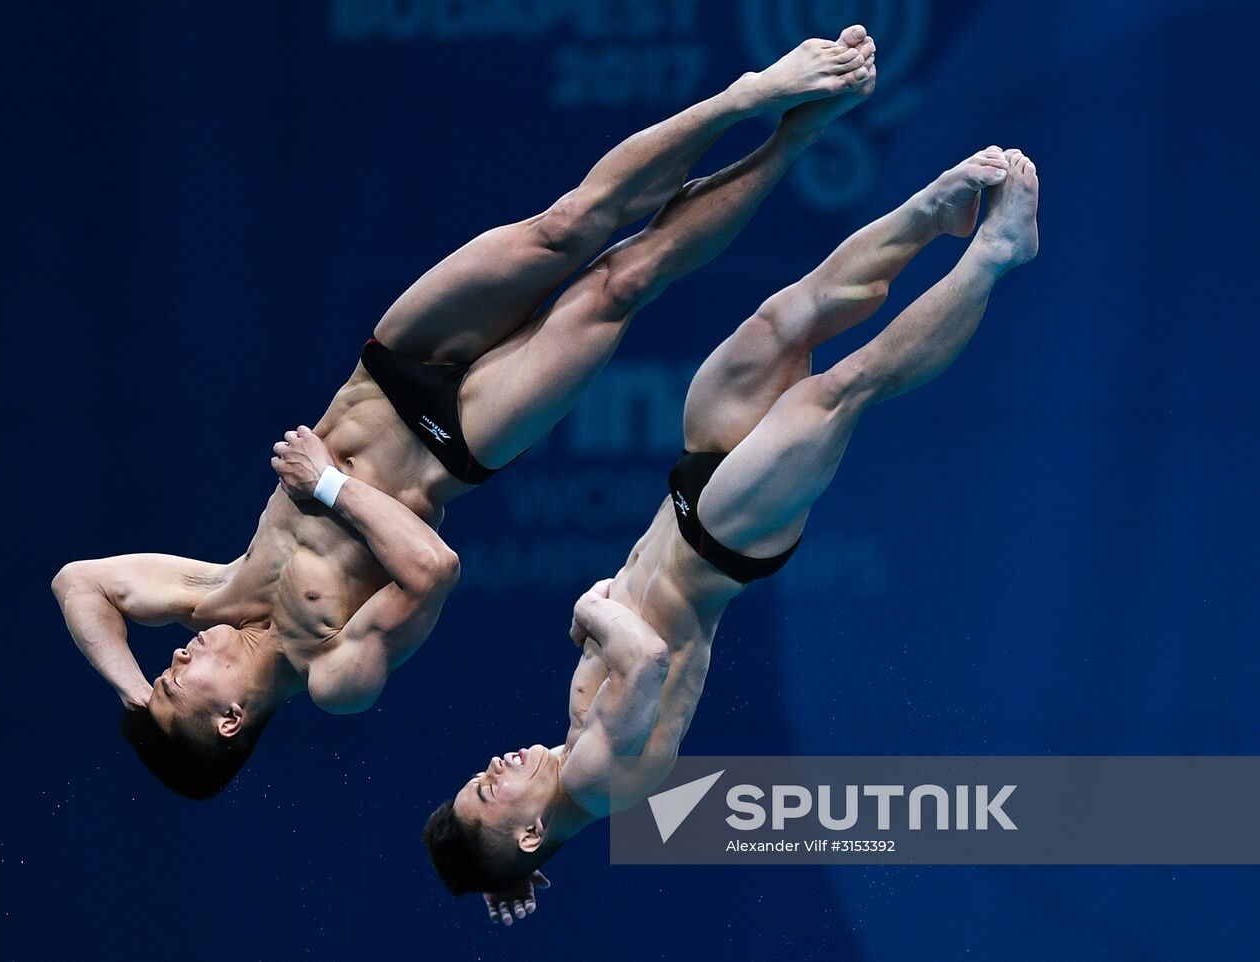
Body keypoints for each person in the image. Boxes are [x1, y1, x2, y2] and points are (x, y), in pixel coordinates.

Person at [51, 28, 879, 799]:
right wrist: (331, 485)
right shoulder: (334, 677)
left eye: (156, 668)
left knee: (566, 225)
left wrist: (133, 701)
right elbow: (433, 569)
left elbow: (79, 583)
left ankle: (750, 96)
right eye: (172, 682)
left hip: (388, 371)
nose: (174, 656)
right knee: (622, 282)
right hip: (461, 441)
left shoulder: (213, 597)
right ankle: (796, 137)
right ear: (229, 718)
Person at [423, 147, 1040, 923]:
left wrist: (504, 869)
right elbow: (644, 661)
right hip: (725, 540)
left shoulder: (566, 762)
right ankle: (994, 254)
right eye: (488, 790)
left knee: (786, 317)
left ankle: (931, 211)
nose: (492, 767)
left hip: (694, 489)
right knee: (846, 389)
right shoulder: (599, 785)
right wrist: (590, 615)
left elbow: (525, 819)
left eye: (477, 777)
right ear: (531, 828)